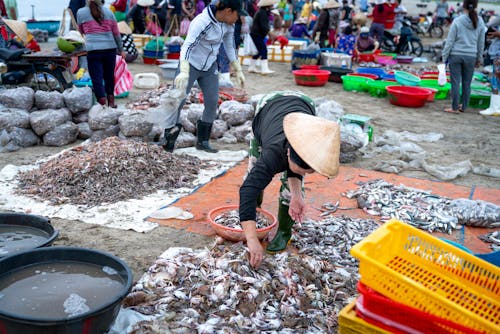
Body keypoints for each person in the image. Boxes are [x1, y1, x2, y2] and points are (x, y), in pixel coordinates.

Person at [239, 91, 340, 268]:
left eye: (307, 171)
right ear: (287, 153)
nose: (303, 173)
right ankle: (254, 213)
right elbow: (247, 189)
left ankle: (284, 231)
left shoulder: (303, 145)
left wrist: (296, 196)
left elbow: (297, 167)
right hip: (268, 105)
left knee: (292, 187)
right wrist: (252, 239)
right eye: (300, 169)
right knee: (253, 174)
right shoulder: (272, 155)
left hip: (303, 105)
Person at [164, 0, 246, 153]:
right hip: (191, 64)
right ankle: (168, 140)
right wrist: (183, 70)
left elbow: (229, 44)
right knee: (177, 100)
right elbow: (187, 46)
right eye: (237, 14)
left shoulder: (229, 24)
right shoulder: (201, 22)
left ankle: (202, 141)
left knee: (212, 101)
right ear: (228, 10)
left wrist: (237, 67)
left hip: (209, 67)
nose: (238, 19)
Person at [77, 0, 125, 107]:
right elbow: (116, 33)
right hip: (110, 48)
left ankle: (102, 104)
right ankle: (111, 103)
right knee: (109, 77)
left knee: (96, 78)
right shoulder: (109, 12)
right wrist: (121, 50)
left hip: (93, 49)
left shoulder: (80, 12)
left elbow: (81, 31)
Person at [442, 0, 485, 113]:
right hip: (471, 56)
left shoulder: (458, 20)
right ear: (476, 6)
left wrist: (444, 57)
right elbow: (481, 42)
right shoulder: (480, 21)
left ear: (463, 6)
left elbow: (450, 41)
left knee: (455, 82)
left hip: (455, 55)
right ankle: (464, 107)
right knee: (467, 83)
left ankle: (454, 107)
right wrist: (479, 58)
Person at [249, 0, 279, 74]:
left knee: (259, 51)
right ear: (268, 6)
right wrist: (271, 34)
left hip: (256, 33)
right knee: (263, 50)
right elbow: (264, 27)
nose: (272, 6)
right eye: (271, 5)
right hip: (256, 34)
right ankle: (264, 69)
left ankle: (251, 67)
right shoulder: (262, 13)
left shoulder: (263, 11)